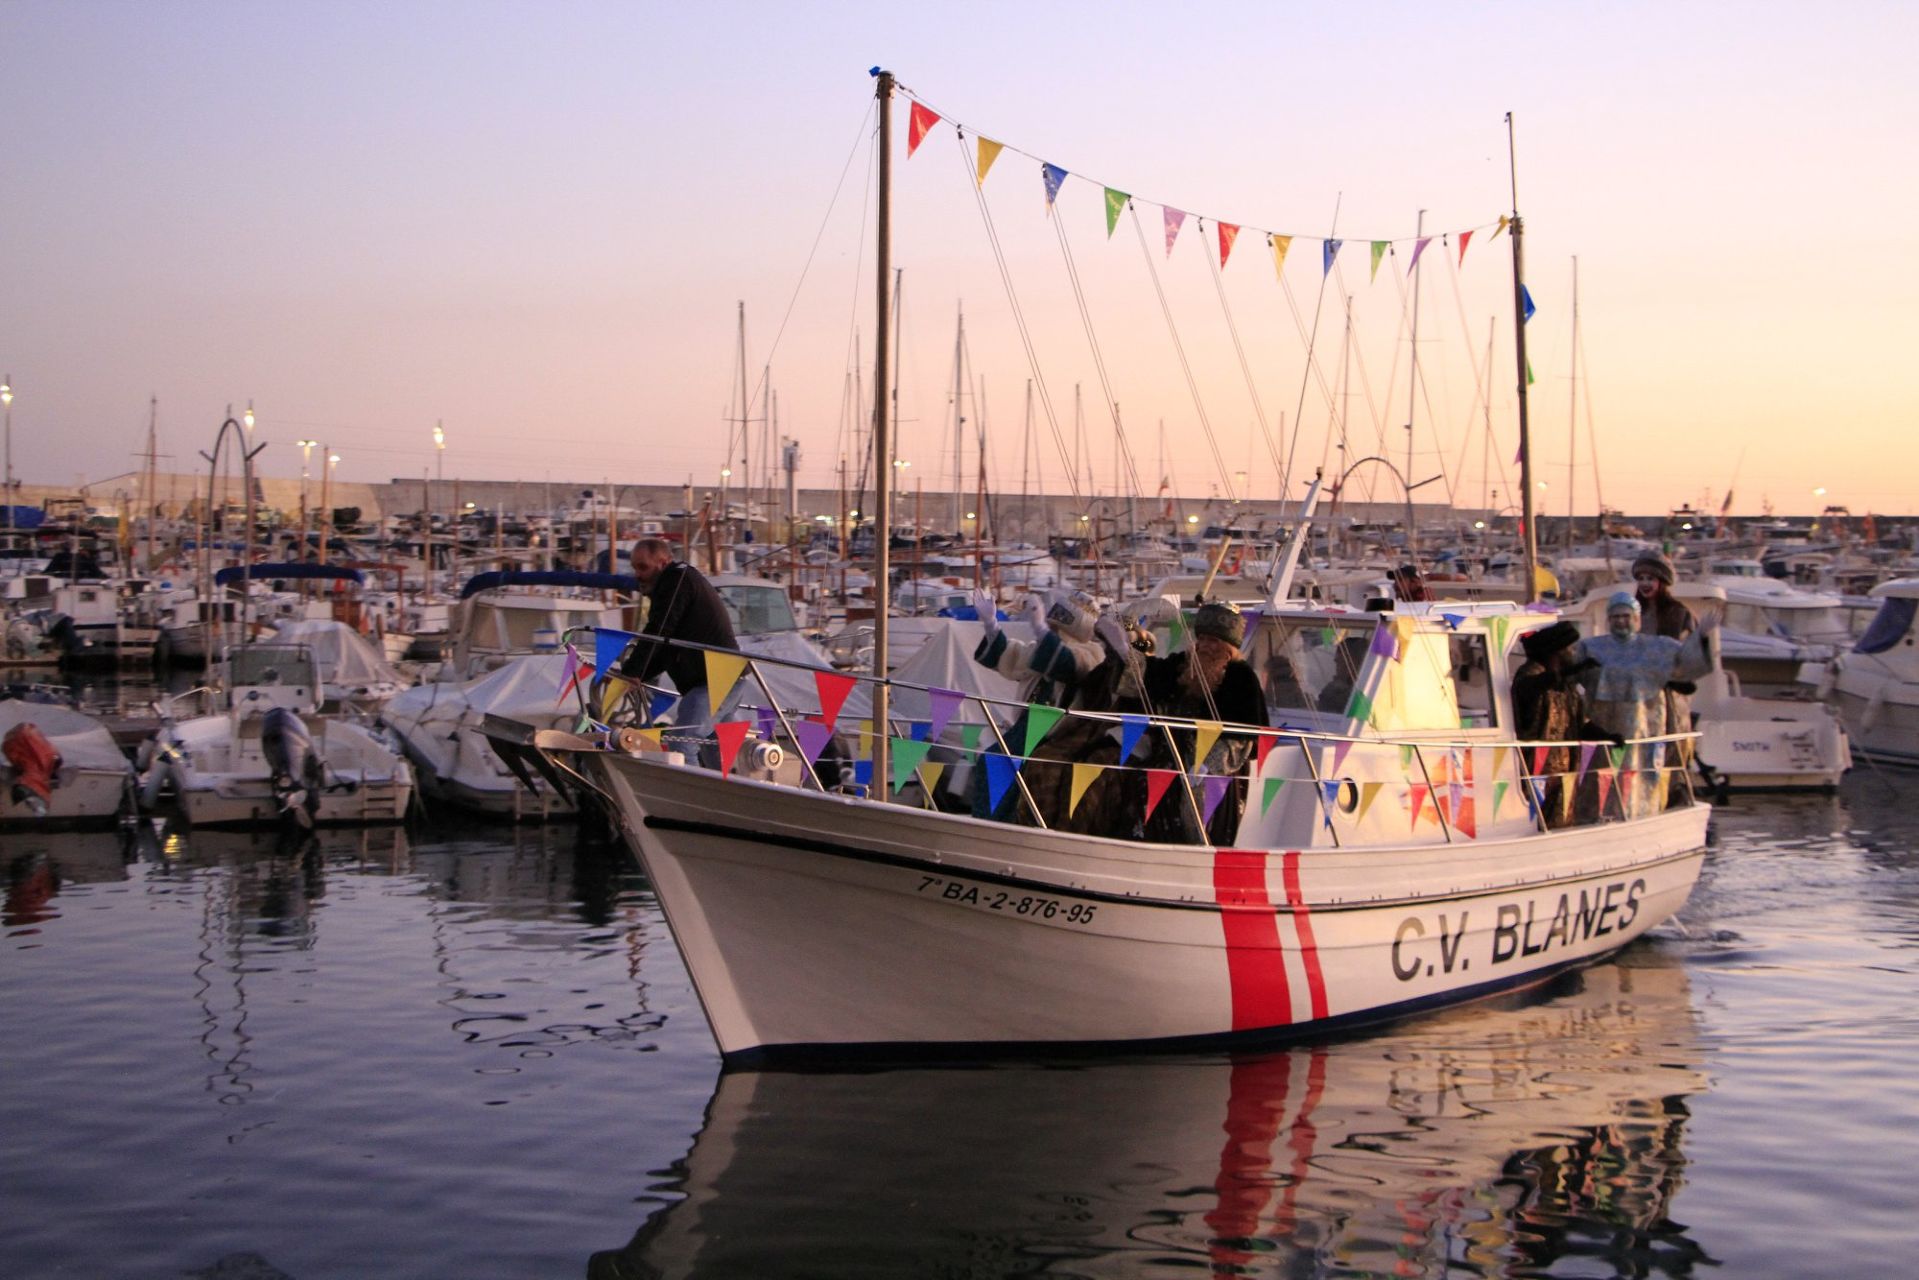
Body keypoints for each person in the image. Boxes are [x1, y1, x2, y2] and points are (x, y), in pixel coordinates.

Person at [1570, 592, 1717, 813]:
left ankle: (1642, 813)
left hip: (1645, 724)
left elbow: (1687, 664)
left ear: (1637, 619)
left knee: (1640, 771)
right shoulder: (1590, 647)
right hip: (1603, 724)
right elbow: (1569, 674)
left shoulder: (1658, 647)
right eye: (1616, 616)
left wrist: (1701, 637)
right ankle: (1596, 816)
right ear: (1608, 620)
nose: (1621, 621)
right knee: (1600, 773)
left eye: (1626, 616)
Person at [620, 538, 738, 753]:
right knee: (717, 755)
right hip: (725, 680)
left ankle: (690, 787)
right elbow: (667, 647)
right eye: (635, 567)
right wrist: (638, 675)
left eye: (643, 567)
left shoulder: (676, 580)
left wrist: (632, 671)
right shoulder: (673, 584)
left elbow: (660, 628)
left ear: (663, 563)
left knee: (682, 744)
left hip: (714, 683)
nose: (637, 574)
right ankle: (721, 785)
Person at [1510, 620, 1614, 828]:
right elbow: (1529, 688)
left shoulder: (1567, 687)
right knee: (1533, 823)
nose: (1573, 653)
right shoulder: (1529, 673)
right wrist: (1569, 672)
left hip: (1565, 773)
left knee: (1561, 823)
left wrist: (1608, 736)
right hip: (1537, 772)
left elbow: (1580, 723)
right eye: (1570, 649)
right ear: (1556, 652)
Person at [1632, 550, 1703, 770]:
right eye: (1641, 578)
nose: (1645, 583)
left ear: (1662, 582)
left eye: (1650, 578)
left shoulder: (1680, 613)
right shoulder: (1631, 612)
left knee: (1671, 741)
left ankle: (1673, 785)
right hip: (1637, 692)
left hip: (1671, 693)